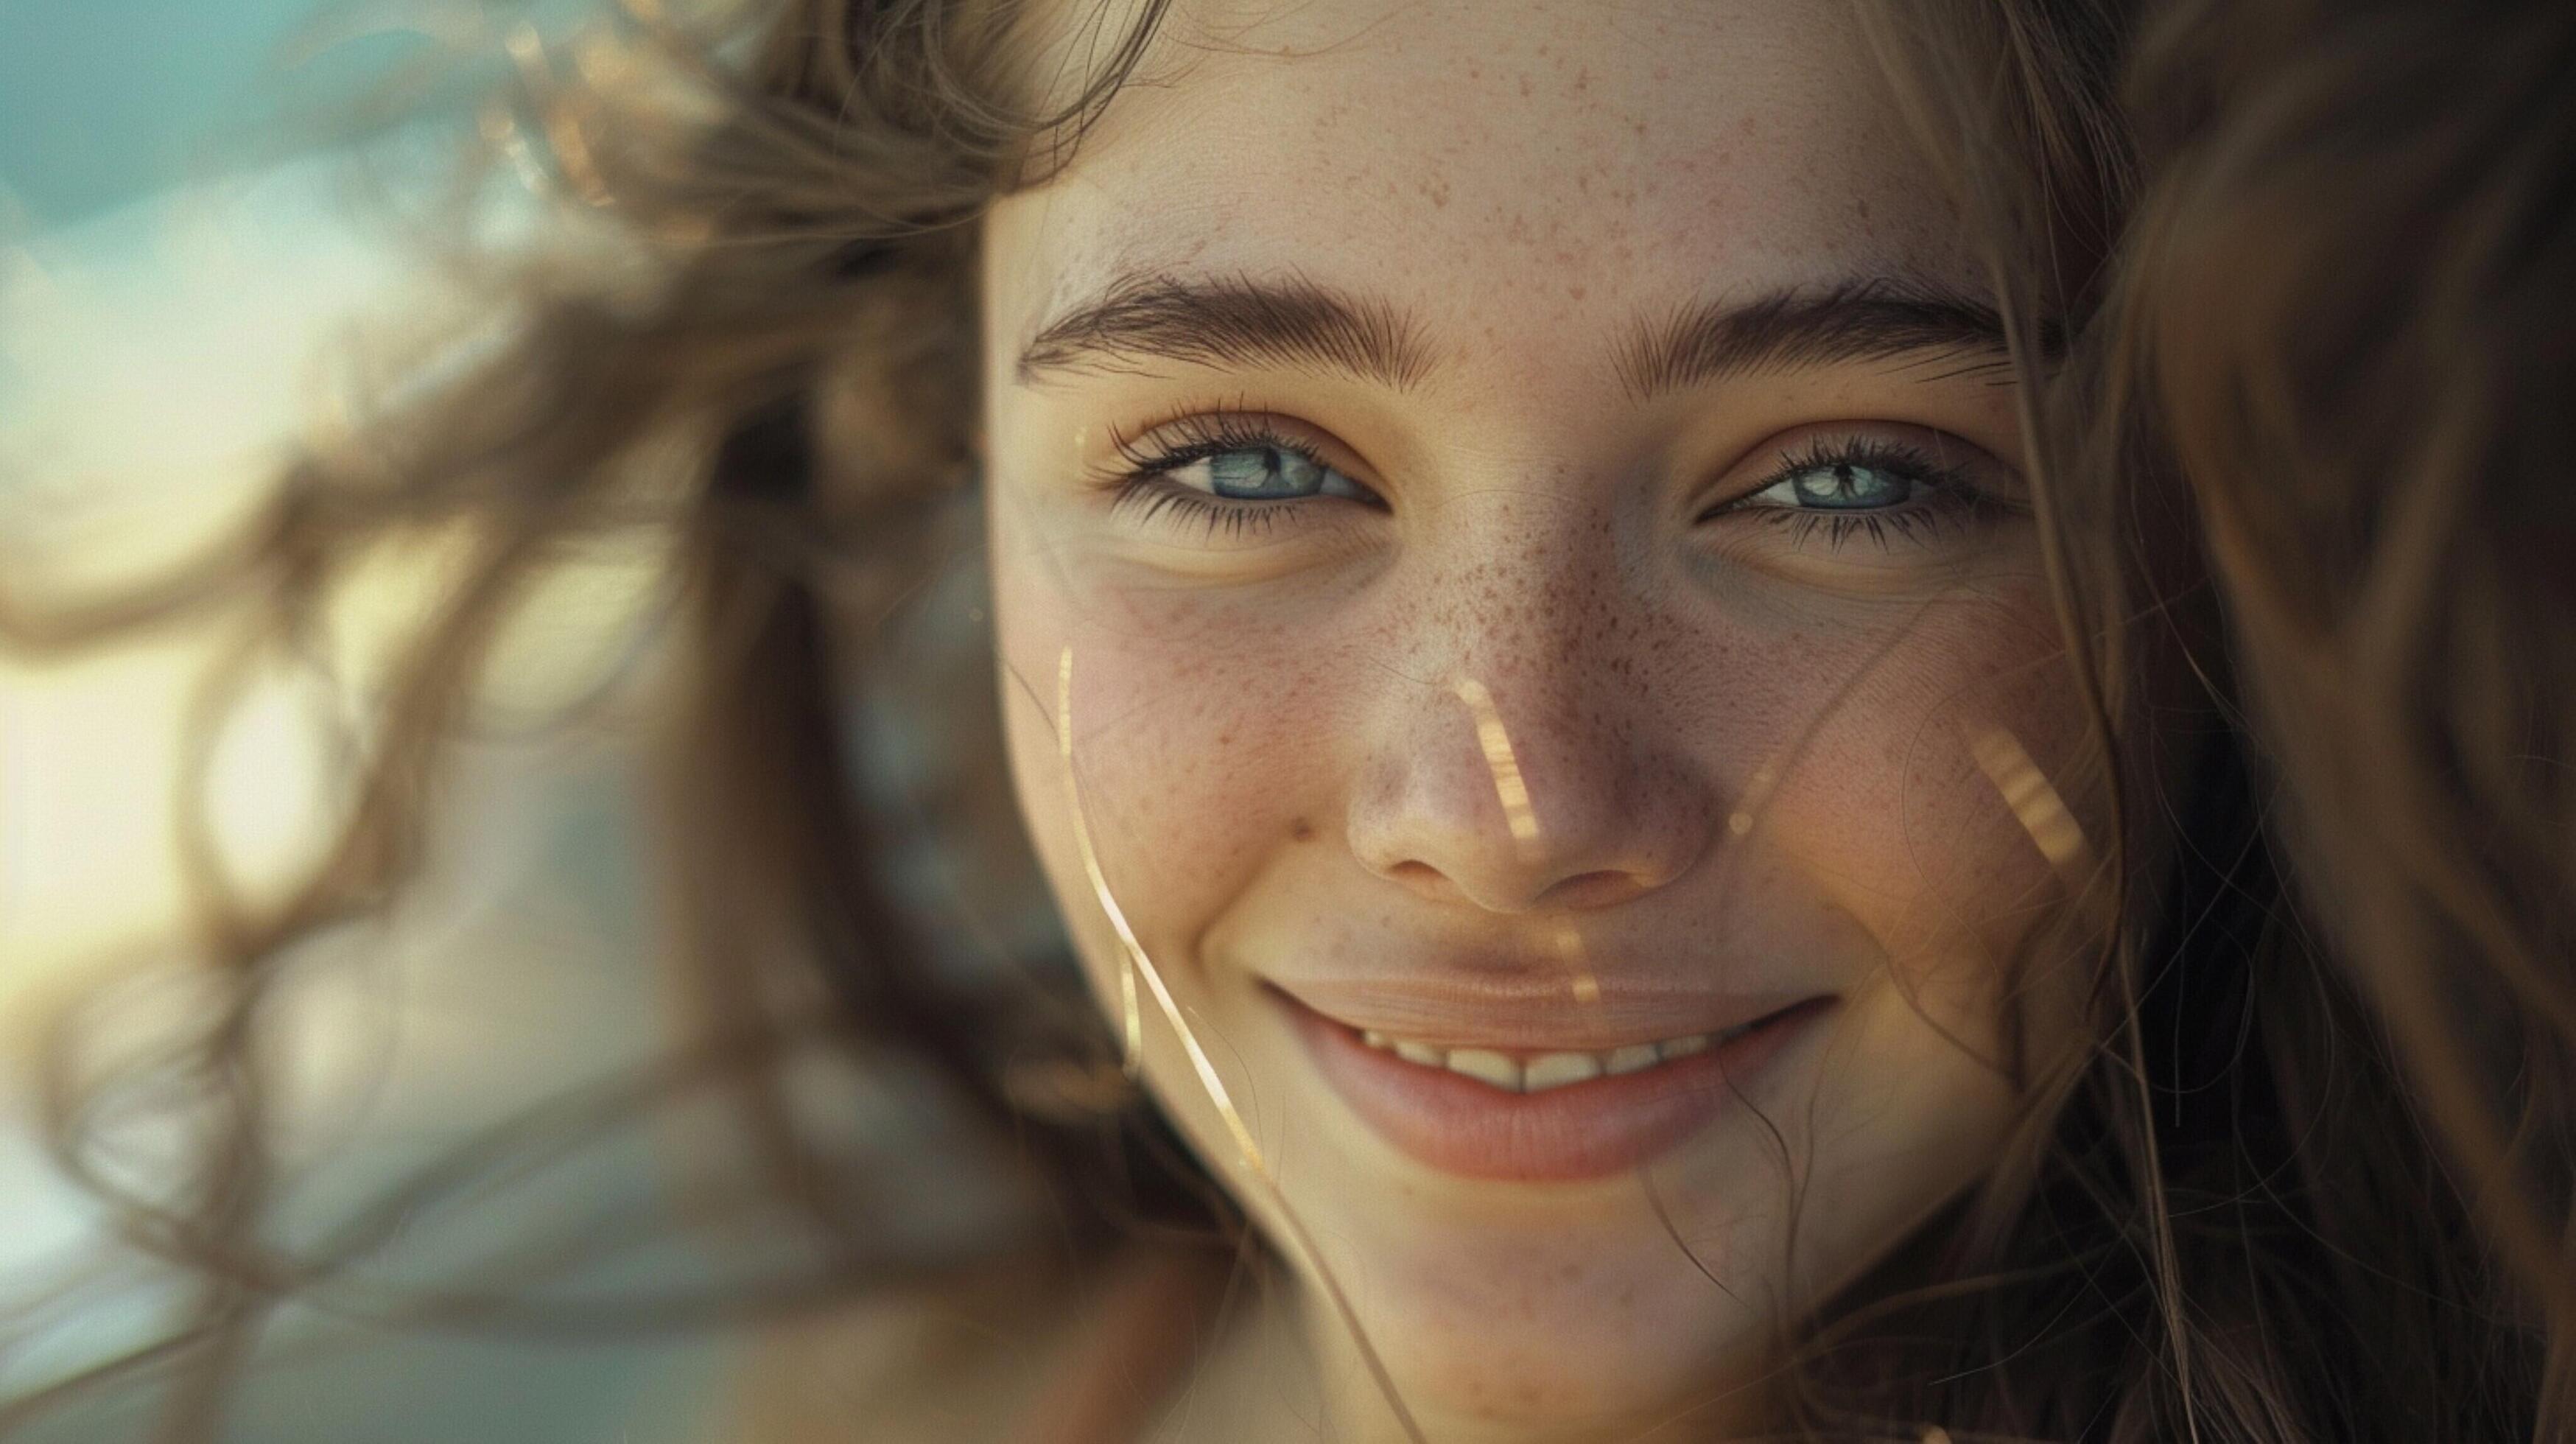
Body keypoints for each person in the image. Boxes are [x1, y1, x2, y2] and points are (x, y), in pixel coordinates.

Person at [1, 0, 2558, 1440]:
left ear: (2225, 539)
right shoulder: (920, 1353)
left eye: (1851, 481)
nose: (1504, 806)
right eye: (1239, 462)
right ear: (941, 458)